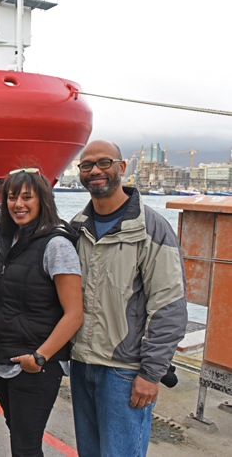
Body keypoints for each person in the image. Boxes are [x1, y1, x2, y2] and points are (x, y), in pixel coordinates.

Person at [69, 140, 187, 457]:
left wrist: (150, 374)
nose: (95, 170)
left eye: (104, 162)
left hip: (124, 372)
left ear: (122, 168)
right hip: (82, 365)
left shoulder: (152, 229)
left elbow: (169, 308)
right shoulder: (76, 228)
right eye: (87, 165)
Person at [0, 168, 83, 457]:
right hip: (2, 359)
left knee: (25, 447)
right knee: (18, 435)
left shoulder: (57, 245)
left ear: (43, 201)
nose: (18, 204)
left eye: (27, 197)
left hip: (35, 364)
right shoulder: (5, 240)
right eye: (12, 197)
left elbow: (74, 313)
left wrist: (39, 357)